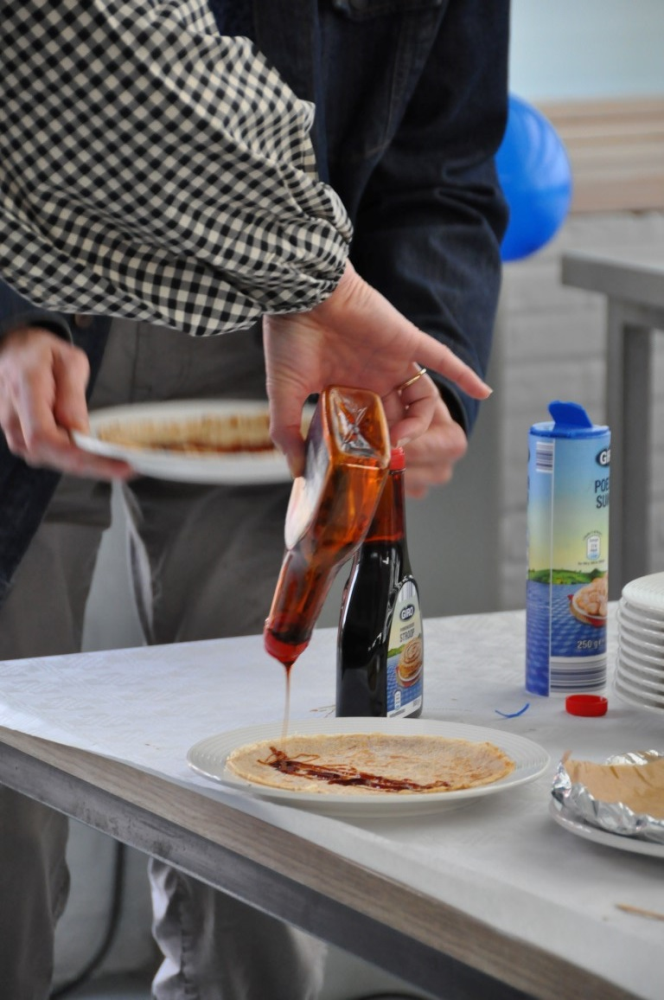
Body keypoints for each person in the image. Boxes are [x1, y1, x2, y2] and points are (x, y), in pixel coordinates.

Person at [0, 2, 509, 998]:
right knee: (8, 812)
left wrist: (423, 369)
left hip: (283, 347)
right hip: (46, 298)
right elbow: (79, 49)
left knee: (267, 776)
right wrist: (9, 314)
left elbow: (442, 167)